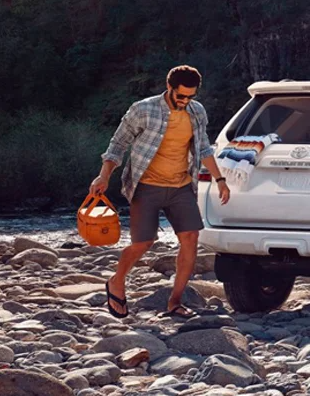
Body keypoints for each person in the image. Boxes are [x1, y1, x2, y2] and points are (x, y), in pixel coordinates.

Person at [89, 65, 230, 319]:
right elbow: (118, 144)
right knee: (143, 242)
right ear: (169, 88)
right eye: (181, 96)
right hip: (147, 185)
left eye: (191, 96)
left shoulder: (197, 112)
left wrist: (220, 179)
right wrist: (104, 175)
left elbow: (204, 148)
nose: (185, 101)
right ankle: (116, 281)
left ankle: (175, 302)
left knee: (190, 239)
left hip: (181, 186)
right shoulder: (143, 109)